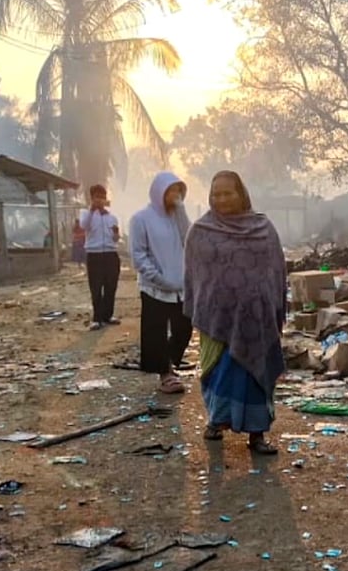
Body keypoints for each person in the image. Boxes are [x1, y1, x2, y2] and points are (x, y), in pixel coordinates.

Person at [184, 171, 286, 453]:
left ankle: (257, 433)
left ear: (241, 194)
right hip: (216, 320)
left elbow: (277, 271)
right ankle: (216, 421)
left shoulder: (263, 229)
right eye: (216, 194)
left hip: (257, 320)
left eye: (228, 193)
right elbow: (194, 275)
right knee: (220, 372)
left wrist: (271, 304)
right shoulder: (200, 232)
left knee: (255, 374)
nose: (222, 199)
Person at [130, 171, 193, 395]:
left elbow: (190, 240)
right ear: (159, 192)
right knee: (155, 331)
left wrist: (181, 210)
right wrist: (158, 278)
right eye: (171, 190)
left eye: (179, 190)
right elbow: (139, 255)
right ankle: (165, 373)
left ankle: (170, 362)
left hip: (180, 286)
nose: (175, 195)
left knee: (184, 328)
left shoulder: (178, 217)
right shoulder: (141, 219)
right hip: (155, 287)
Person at [82, 185, 121, 330]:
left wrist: (116, 235)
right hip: (95, 255)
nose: (100, 200)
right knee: (96, 287)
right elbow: (84, 226)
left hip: (111, 254)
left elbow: (115, 239)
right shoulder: (86, 214)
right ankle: (97, 318)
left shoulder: (112, 218)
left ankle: (108, 315)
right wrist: (92, 210)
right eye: (97, 197)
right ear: (92, 198)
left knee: (111, 286)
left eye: (102, 197)